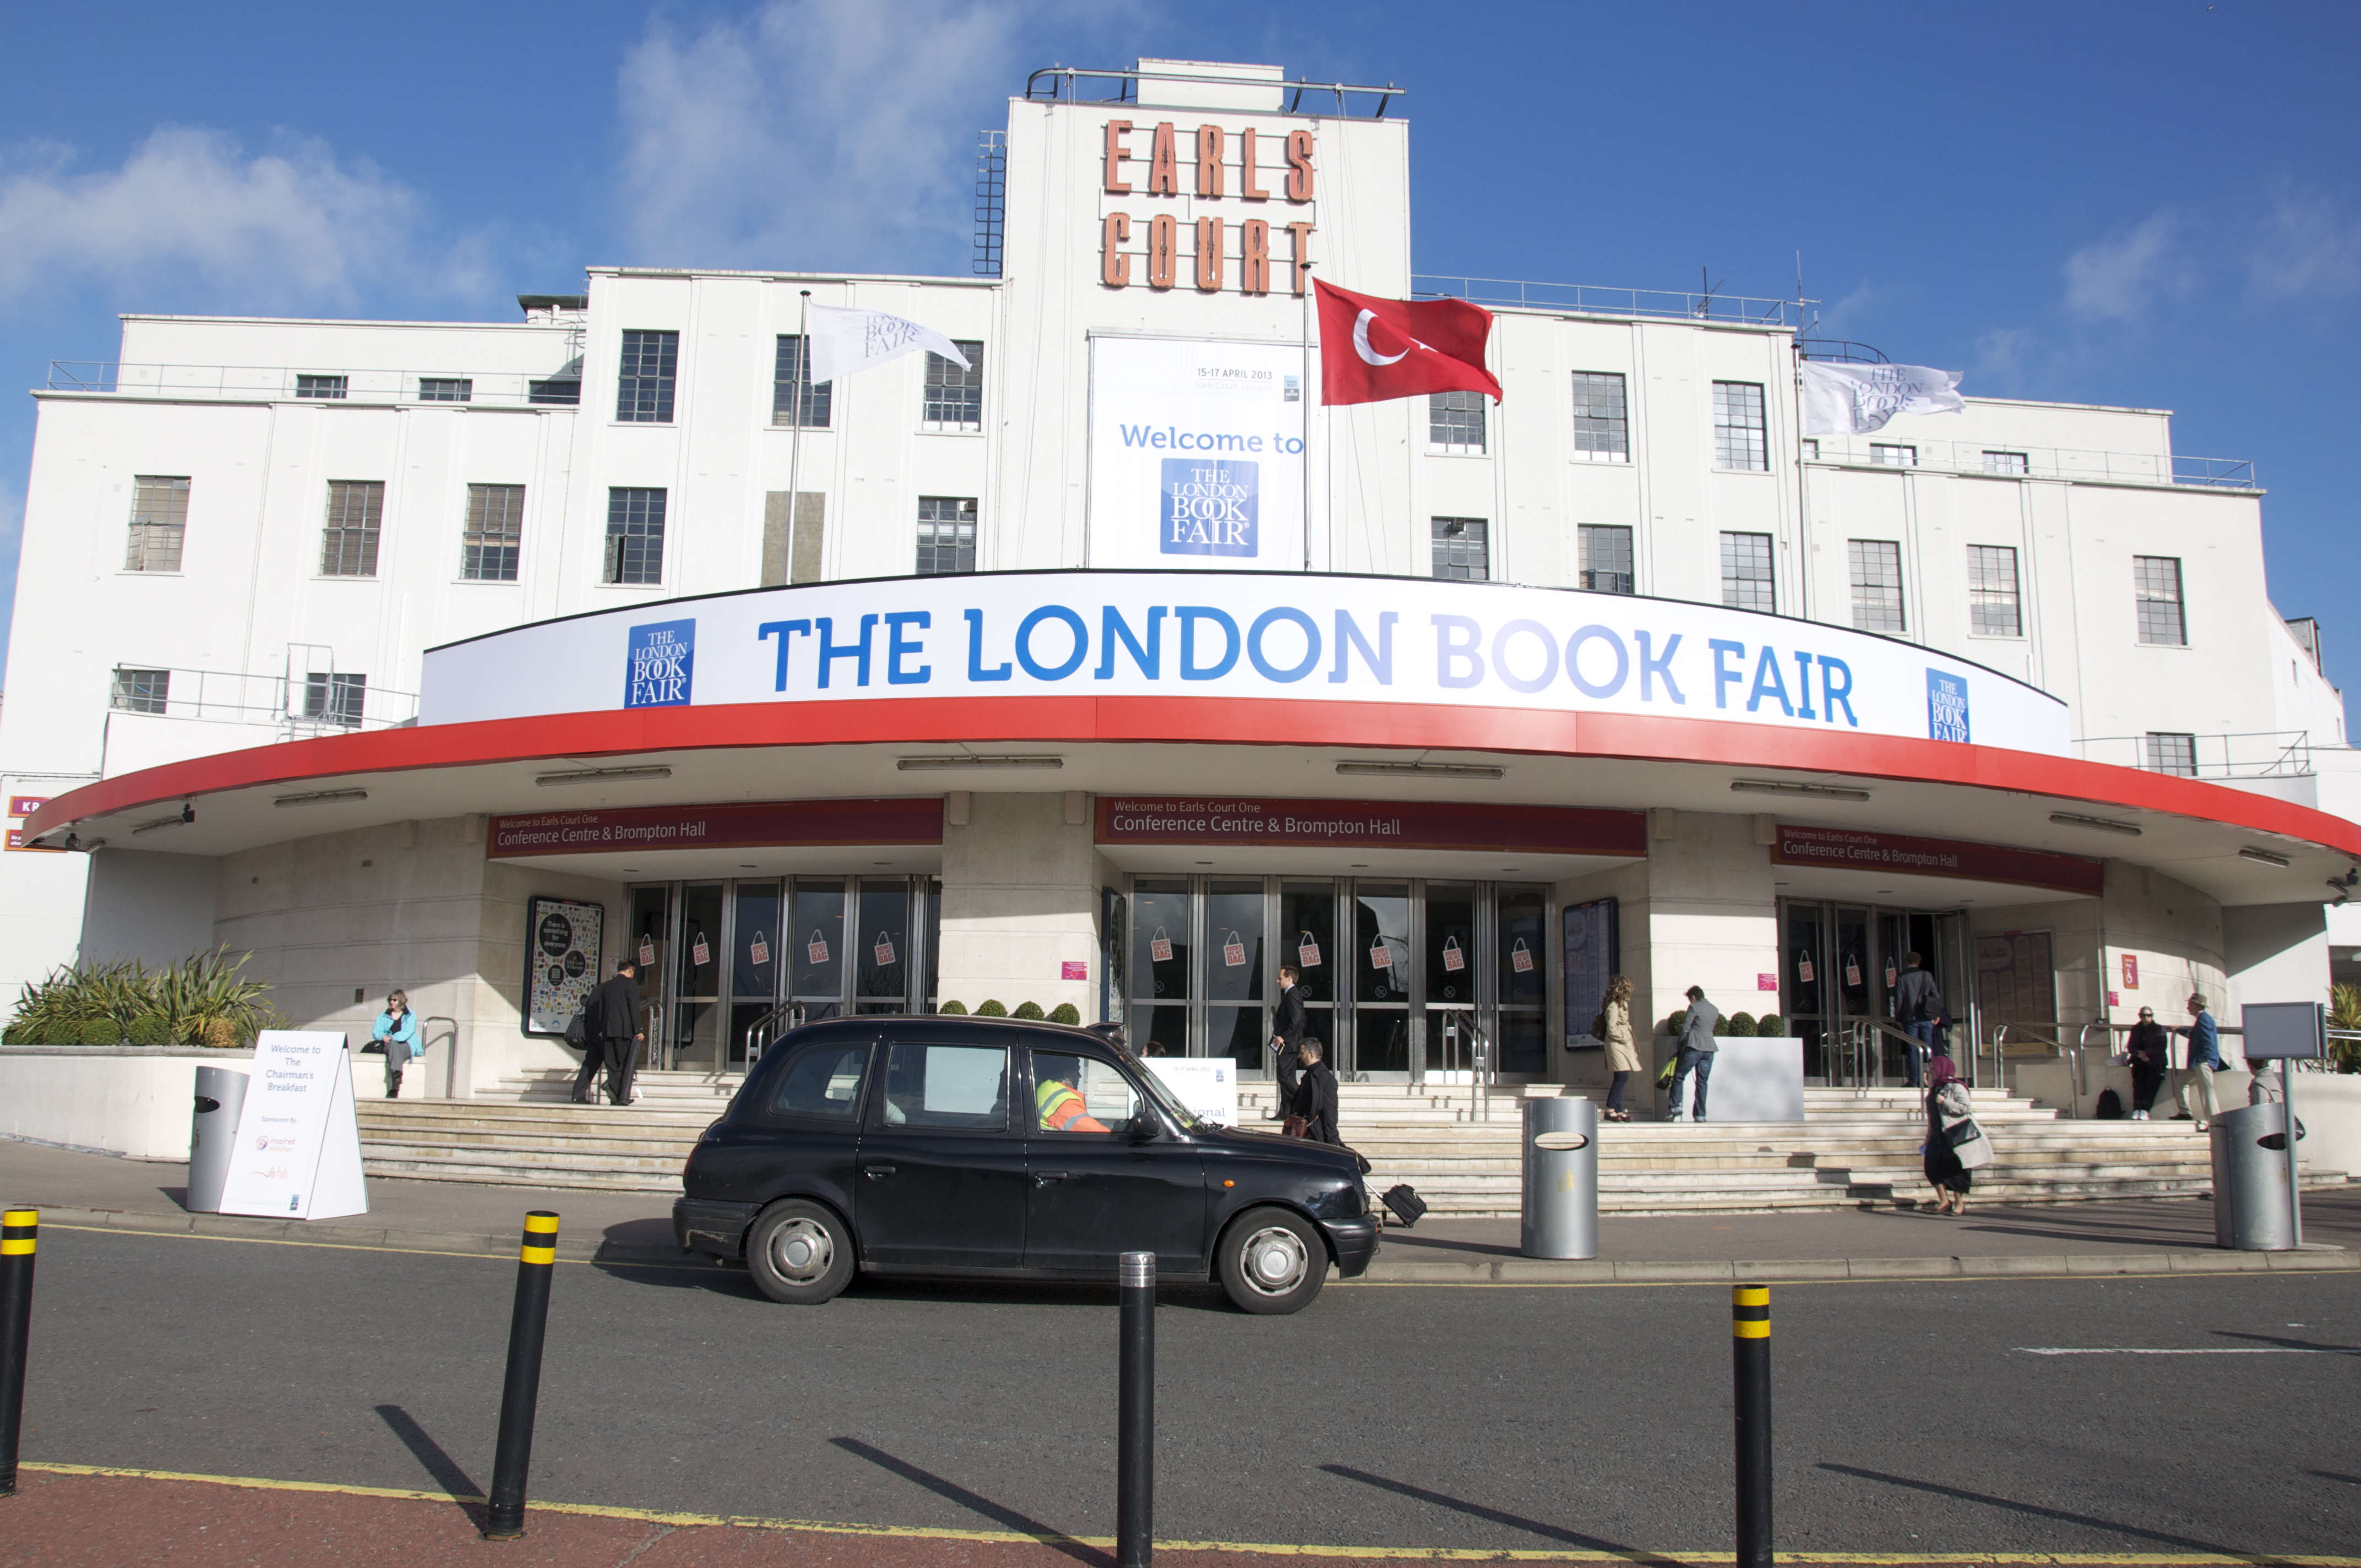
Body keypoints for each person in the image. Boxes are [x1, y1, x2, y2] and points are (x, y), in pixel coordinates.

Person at [572, 960, 645, 1107]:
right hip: (619, 1032)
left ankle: (611, 1095)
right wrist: (638, 1030)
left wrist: (603, 1030)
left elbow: (600, 1011)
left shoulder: (605, 986)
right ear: (630, 970)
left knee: (603, 1065)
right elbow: (633, 1008)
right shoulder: (629, 984)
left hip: (603, 1032)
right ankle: (617, 1095)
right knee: (622, 1064)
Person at [1922, 1054, 1977, 1216]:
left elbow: (1965, 1108)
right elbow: (1933, 1115)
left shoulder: (1956, 1087)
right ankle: (1944, 1201)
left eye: (1934, 1069)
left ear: (1943, 1069)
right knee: (1931, 1168)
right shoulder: (1934, 1089)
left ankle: (1959, 1203)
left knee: (1956, 1170)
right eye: (1930, 1069)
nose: (1931, 1072)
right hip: (1936, 1136)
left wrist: (1945, 1102)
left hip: (1953, 1135)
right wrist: (1928, 1136)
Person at [2171, 990, 2224, 1131]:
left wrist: (2202, 1060)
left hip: (2202, 1063)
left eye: (2190, 1004)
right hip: (2199, 1063)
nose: (2188, 1007)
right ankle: (2185, 1112)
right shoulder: (2203, 1019)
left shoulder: (2204, 1020)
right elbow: (2196, 1036)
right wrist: (2181, 1030)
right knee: (2180, 1081)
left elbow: (2208, 1043)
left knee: (2207, 1094)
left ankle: (2215, 1125)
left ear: (2197, 1005)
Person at [1667, 985, 1720, 1123]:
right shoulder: (1715, 1009)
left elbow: (1685, 1028)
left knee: (1679, 1076)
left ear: (1694, 997)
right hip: (1709, 1050)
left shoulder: (1694, 1007)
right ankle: (1700, 1115)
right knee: (1702, 1082)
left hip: (1693, 1048)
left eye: (1690, 999)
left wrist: (1680, 1046)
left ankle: (1675, 1107)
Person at [1894, 951, 1943, 1088]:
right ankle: (1930, 1079)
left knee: (1913, 1049)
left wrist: (1898, 1018)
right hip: (1926, 1017)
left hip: (1910, 1018)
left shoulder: (1902, 977)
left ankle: (1914, 1080)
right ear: (1919, 962)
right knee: (1928, 1049)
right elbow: (1935, 995)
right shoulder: (1927, 975)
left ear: (1907, 962)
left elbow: (1899, 998)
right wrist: (1935, 1014)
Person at [1267, 963, 1307, 1121]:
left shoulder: (1293, 995)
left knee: (1284, 1076)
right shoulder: (1289, 995)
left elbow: (1297, 1019)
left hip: (1288, 1045)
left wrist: (1285, 1037)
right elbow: (1301, 1019)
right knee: (1287, 1077)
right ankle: (1285, 1113)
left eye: (1280, 978)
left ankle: (1303, 1102)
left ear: (1289, 979)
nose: (1278, 981)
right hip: (1289, 1044)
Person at [1600, 974, 1640, 1122]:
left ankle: (1618, 1110)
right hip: (1616, 1044)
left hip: (1622, 1044)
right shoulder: (1613, 1006)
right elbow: (1611, 1029)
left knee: (1621, 1076)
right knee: (1623, 1076)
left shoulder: (1622, 1005)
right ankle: (1610, 1108)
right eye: (1626, 989)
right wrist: (1624, 1037)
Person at [372, 989, 420, 1099]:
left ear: (401, 1000)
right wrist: (383, 1037)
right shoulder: (383, 1016)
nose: (392, 1002)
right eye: (390, 1000)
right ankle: (396, 1079)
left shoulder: (410, 1015)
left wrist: (393, 1038)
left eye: (395, 1000)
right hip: (390, 1045)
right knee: (393, 1046)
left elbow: (407, 1032)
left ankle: (395, 1082)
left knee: (395, 1047)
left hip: (406, 1045)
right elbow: (376, 1032)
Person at [2124, 1005, 2170, 1120]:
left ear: (2152, 1016)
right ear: (2140, 1016)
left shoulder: (2159, 1029)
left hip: (2154, 1063)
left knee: (2151, 1087)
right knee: (2138, 1086)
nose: (2146, 1018)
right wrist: (2139, 1054)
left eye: (2149, 1015)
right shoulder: (2136, 1029)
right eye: (2144, 1015)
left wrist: (2147, 1053)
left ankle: (2145, 1110)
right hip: (2139, 1062)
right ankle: (2137, 1110)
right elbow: (2130, 1046)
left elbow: (2162, 1047)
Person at [1291, 1037, 1340, 1144]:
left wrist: (1332, 1141)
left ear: (1311, 1055)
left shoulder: (1325, 1078)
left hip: (1314, 1137)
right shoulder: (1310, 1074)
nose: (1299, 1056)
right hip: (1302, 1135)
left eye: (1302, 1053)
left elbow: (1330, 1113)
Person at [1036, 1068, 1111, 1133]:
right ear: (1067, 1075)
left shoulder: (1046, 1086)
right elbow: (1088, 1128)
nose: (1080, 1076)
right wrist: (1111, 1137)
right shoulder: (1065, 1101)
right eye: (1077, 1071)